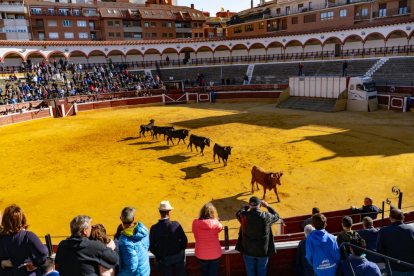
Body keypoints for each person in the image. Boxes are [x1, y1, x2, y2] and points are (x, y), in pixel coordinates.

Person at [235, 196, 280, 276]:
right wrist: (267, 206)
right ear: (260, 206)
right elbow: (276, 216)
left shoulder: (244, 216)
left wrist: (246, 207)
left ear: (249, 205)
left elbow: (238, 214)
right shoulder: (266, 216)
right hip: (262, 251)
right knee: (262, 272)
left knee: (250, 273)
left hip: (248, 250)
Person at [0, 204, 48, 276]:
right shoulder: (28, 236)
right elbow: (43, 252)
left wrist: (2, 263)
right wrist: (35, 263)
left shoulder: (1, 237)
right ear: (22, 219)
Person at [150, 201, 188, 276]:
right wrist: (181, 249)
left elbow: (152, 247)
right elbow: (184, 241)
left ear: (159, 212)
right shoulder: (176, 224)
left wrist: (159, 255)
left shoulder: (154, 228)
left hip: (164, 257)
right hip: (177, 255)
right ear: (169, 212)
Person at [377, 209, 414, 275]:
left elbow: (380, 250)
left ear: (390, 218)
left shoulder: (383, 231)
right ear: (403, 218)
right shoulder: (412, 229)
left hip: (392, 268)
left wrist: (387, 262)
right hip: (410, 268)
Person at [192, 203, 223, 276]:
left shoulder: (195, 222)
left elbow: (194, 231)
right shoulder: (215, 223)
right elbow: (220, 228)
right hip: (215, 254)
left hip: (201, 254)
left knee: (204, 273)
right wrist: (214, 218)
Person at [118, 207, 150, 276]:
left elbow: (132, 266)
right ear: (133, 218)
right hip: (145, 270)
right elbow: (147, 246)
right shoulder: (144, 230)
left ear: (121, 218)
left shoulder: (125, 240)